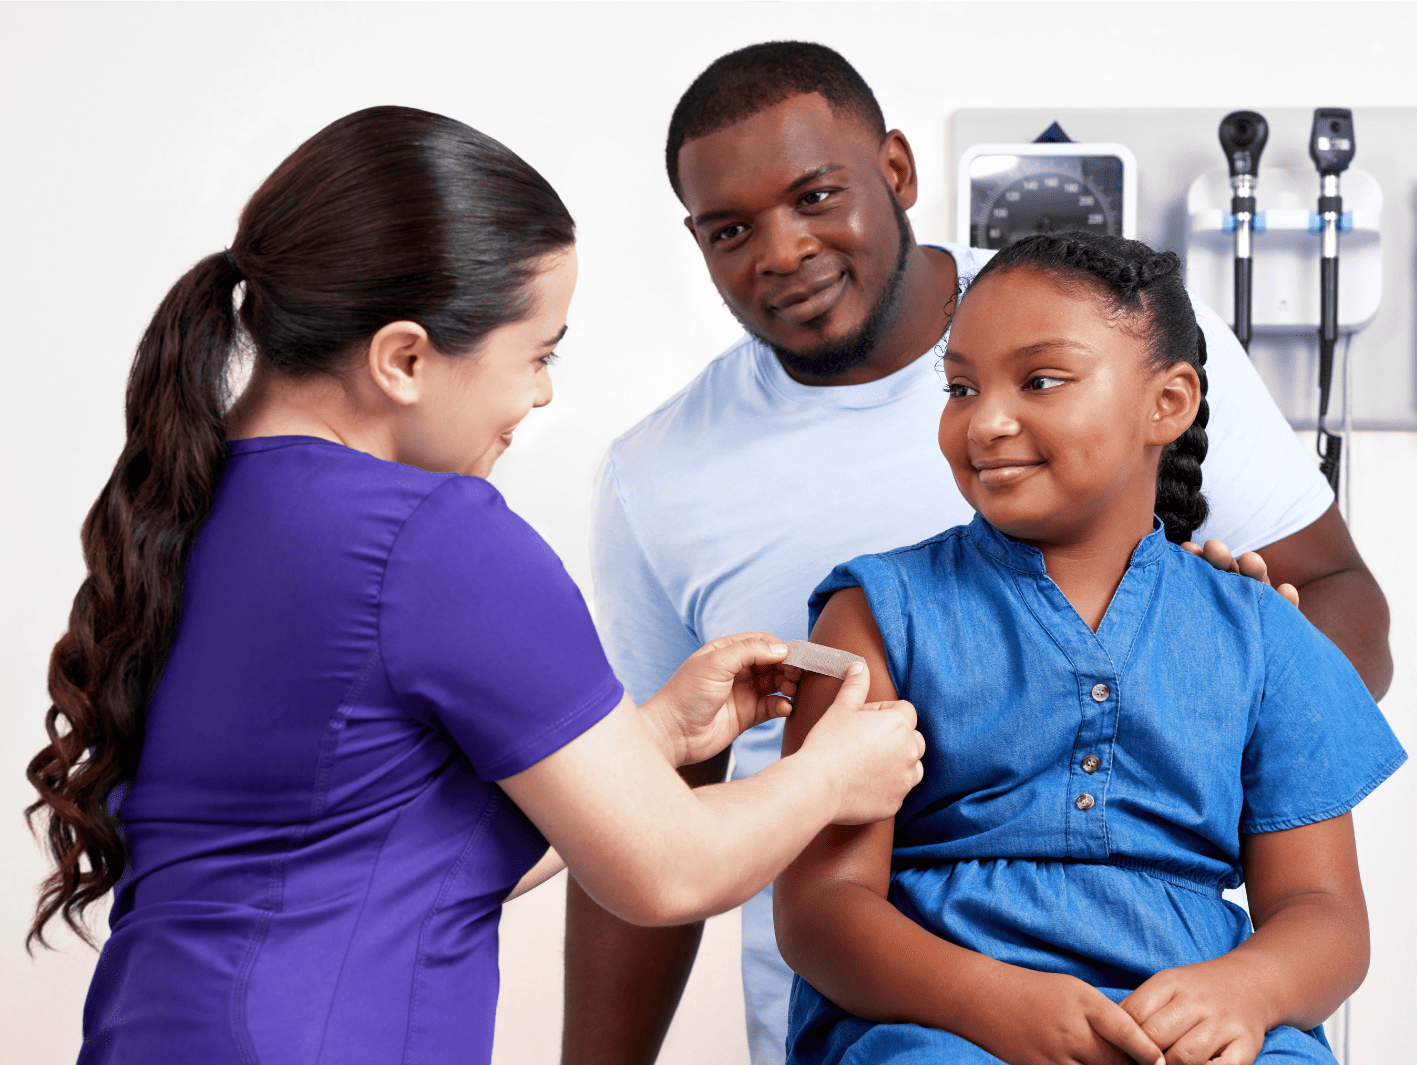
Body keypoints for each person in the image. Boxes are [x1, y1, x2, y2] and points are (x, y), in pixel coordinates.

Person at [24, 105, 928, 1065]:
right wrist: (830, 774)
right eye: (537, 354)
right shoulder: (434, 534)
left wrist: (649, 737)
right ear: (404, 358)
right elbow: (666, 871)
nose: (539, 394)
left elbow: (373, 853)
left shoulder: (187, 507)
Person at [566, 42, 1394, 1065]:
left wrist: (1234, 693)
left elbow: (1321, 894)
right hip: (907, 1011)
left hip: (1189, 1007)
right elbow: (648, 808)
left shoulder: (1124, 344)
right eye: (730, 228)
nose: (780, 251)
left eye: (816, 195)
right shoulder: (793, 559)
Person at [774, 231, 1405, 1064]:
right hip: (939, 1019)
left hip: (1188, 1020)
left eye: (1039, 380)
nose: (987, 419)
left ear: (1167, 404)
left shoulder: (1262, 632)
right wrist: (992, 1003)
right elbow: (821, 907)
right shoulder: (873, 616)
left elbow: (1324, 912)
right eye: (960, 386)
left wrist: (1246, 989)